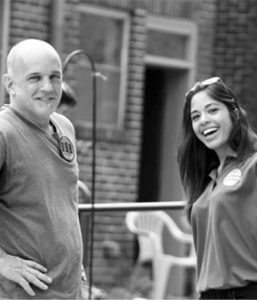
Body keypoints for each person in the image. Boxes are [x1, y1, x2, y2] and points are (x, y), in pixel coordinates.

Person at [0, 39, 83, 299]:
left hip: (69, 290)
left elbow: (64, 201)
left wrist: (74, 260)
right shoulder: (4, 133)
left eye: (54, 77)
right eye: (35, 78)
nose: (47, 87)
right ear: (10, 84)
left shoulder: (65, 127)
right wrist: (2, 262)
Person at [177, 77, 257, 299]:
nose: (203, 120)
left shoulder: (253, 164)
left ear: (234, 112)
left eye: (212, 110)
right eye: (196, 116)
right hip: (209, 294)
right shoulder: (207, 177)